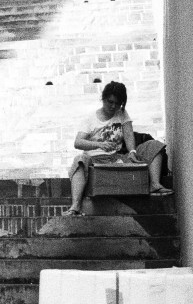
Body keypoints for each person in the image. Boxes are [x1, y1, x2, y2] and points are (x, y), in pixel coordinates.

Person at [64, 81, 172, 216]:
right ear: (103, 98)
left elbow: (128, 134)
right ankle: (75, 206)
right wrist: (99, 145)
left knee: (154, 145)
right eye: (110, 102)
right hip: (94, 160)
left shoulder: (122, 113)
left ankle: (155, 185)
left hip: (117, 158)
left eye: (117, 103)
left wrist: (132, 152)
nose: (113, 106)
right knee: (80, 160)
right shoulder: (90, 119)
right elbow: (78, 142)